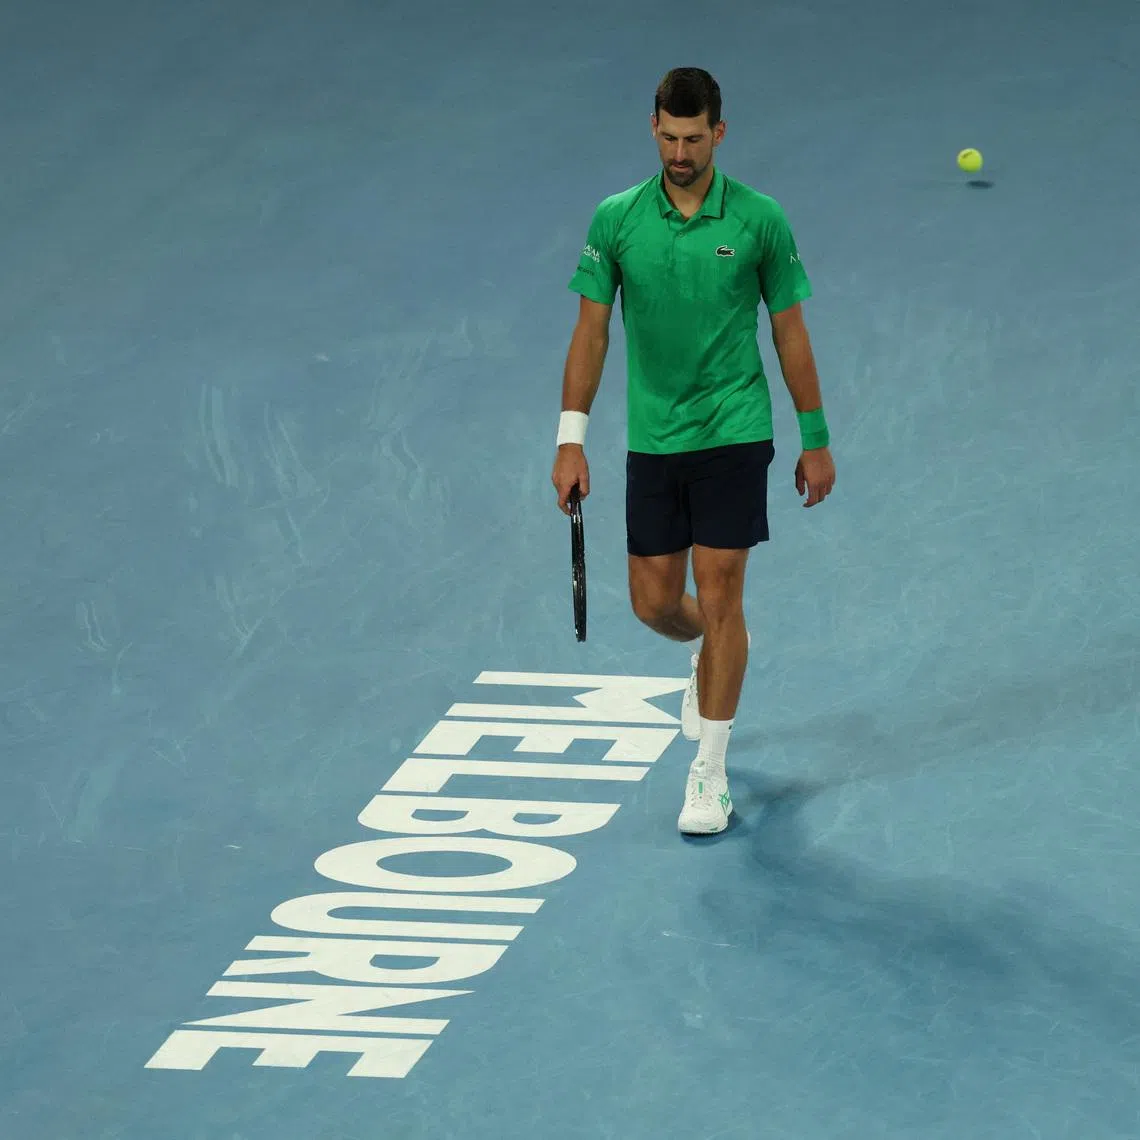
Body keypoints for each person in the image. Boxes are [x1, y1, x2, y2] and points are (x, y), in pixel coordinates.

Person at [551, 66, 836, 835]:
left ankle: (709, 770)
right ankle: (713, 650)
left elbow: (789, 331)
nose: (681, 153)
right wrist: (570, 439)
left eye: (694, 138)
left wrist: (815, 438)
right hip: (655, 439)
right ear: (654, 129)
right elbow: (592, 331)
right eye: (669, 138)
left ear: (719, 131)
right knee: (654, 604)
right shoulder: (616, 220)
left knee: (722, 591)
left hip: (734, 430)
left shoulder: (758, 220)